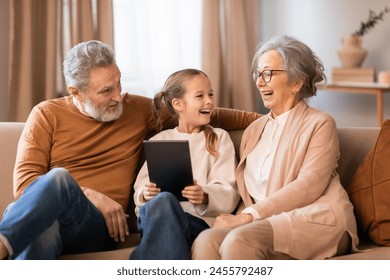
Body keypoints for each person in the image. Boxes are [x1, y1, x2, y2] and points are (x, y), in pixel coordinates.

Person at [0, 40, 260, 260]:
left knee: (50, 195)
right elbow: (25, 185)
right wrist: (92, 195)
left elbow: (200, 112)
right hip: (60, 217)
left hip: (101, 229)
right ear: (76, 92)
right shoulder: (46, 114)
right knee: (46, 212)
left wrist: (266, 120)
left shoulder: (134, 108)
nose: (118, 96)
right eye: (106, 91)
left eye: (119, 83)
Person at [191, 35, 360, 260]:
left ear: (297, 81)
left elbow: (309, 185)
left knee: (239, 241)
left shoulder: (320, 123)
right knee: (206, 240)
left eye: (268, 74)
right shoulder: (254, 129)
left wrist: (249, 216)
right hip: (265, 219)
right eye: (257, 74)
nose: (260, 82)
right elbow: (248, 195)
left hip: (316, 216)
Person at [129, 69, 240, 260]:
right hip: (157, 219)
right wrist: (145, 194)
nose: (209, 101)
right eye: (200, 96)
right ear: (178, 104)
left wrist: (204, 194)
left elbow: (230, 191)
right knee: (163, 201)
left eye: (210, 94)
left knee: (164, 205)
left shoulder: (219, 138)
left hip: (195, 223)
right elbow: (140, 193)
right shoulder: (159, 141)